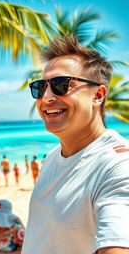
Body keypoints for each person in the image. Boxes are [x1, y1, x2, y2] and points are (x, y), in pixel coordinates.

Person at [22, 35, 129, 254]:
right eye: (41, 87)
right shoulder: (54, 156)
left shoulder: (118, 165)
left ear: (97, 95)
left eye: (61, 85)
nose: (47, 97)